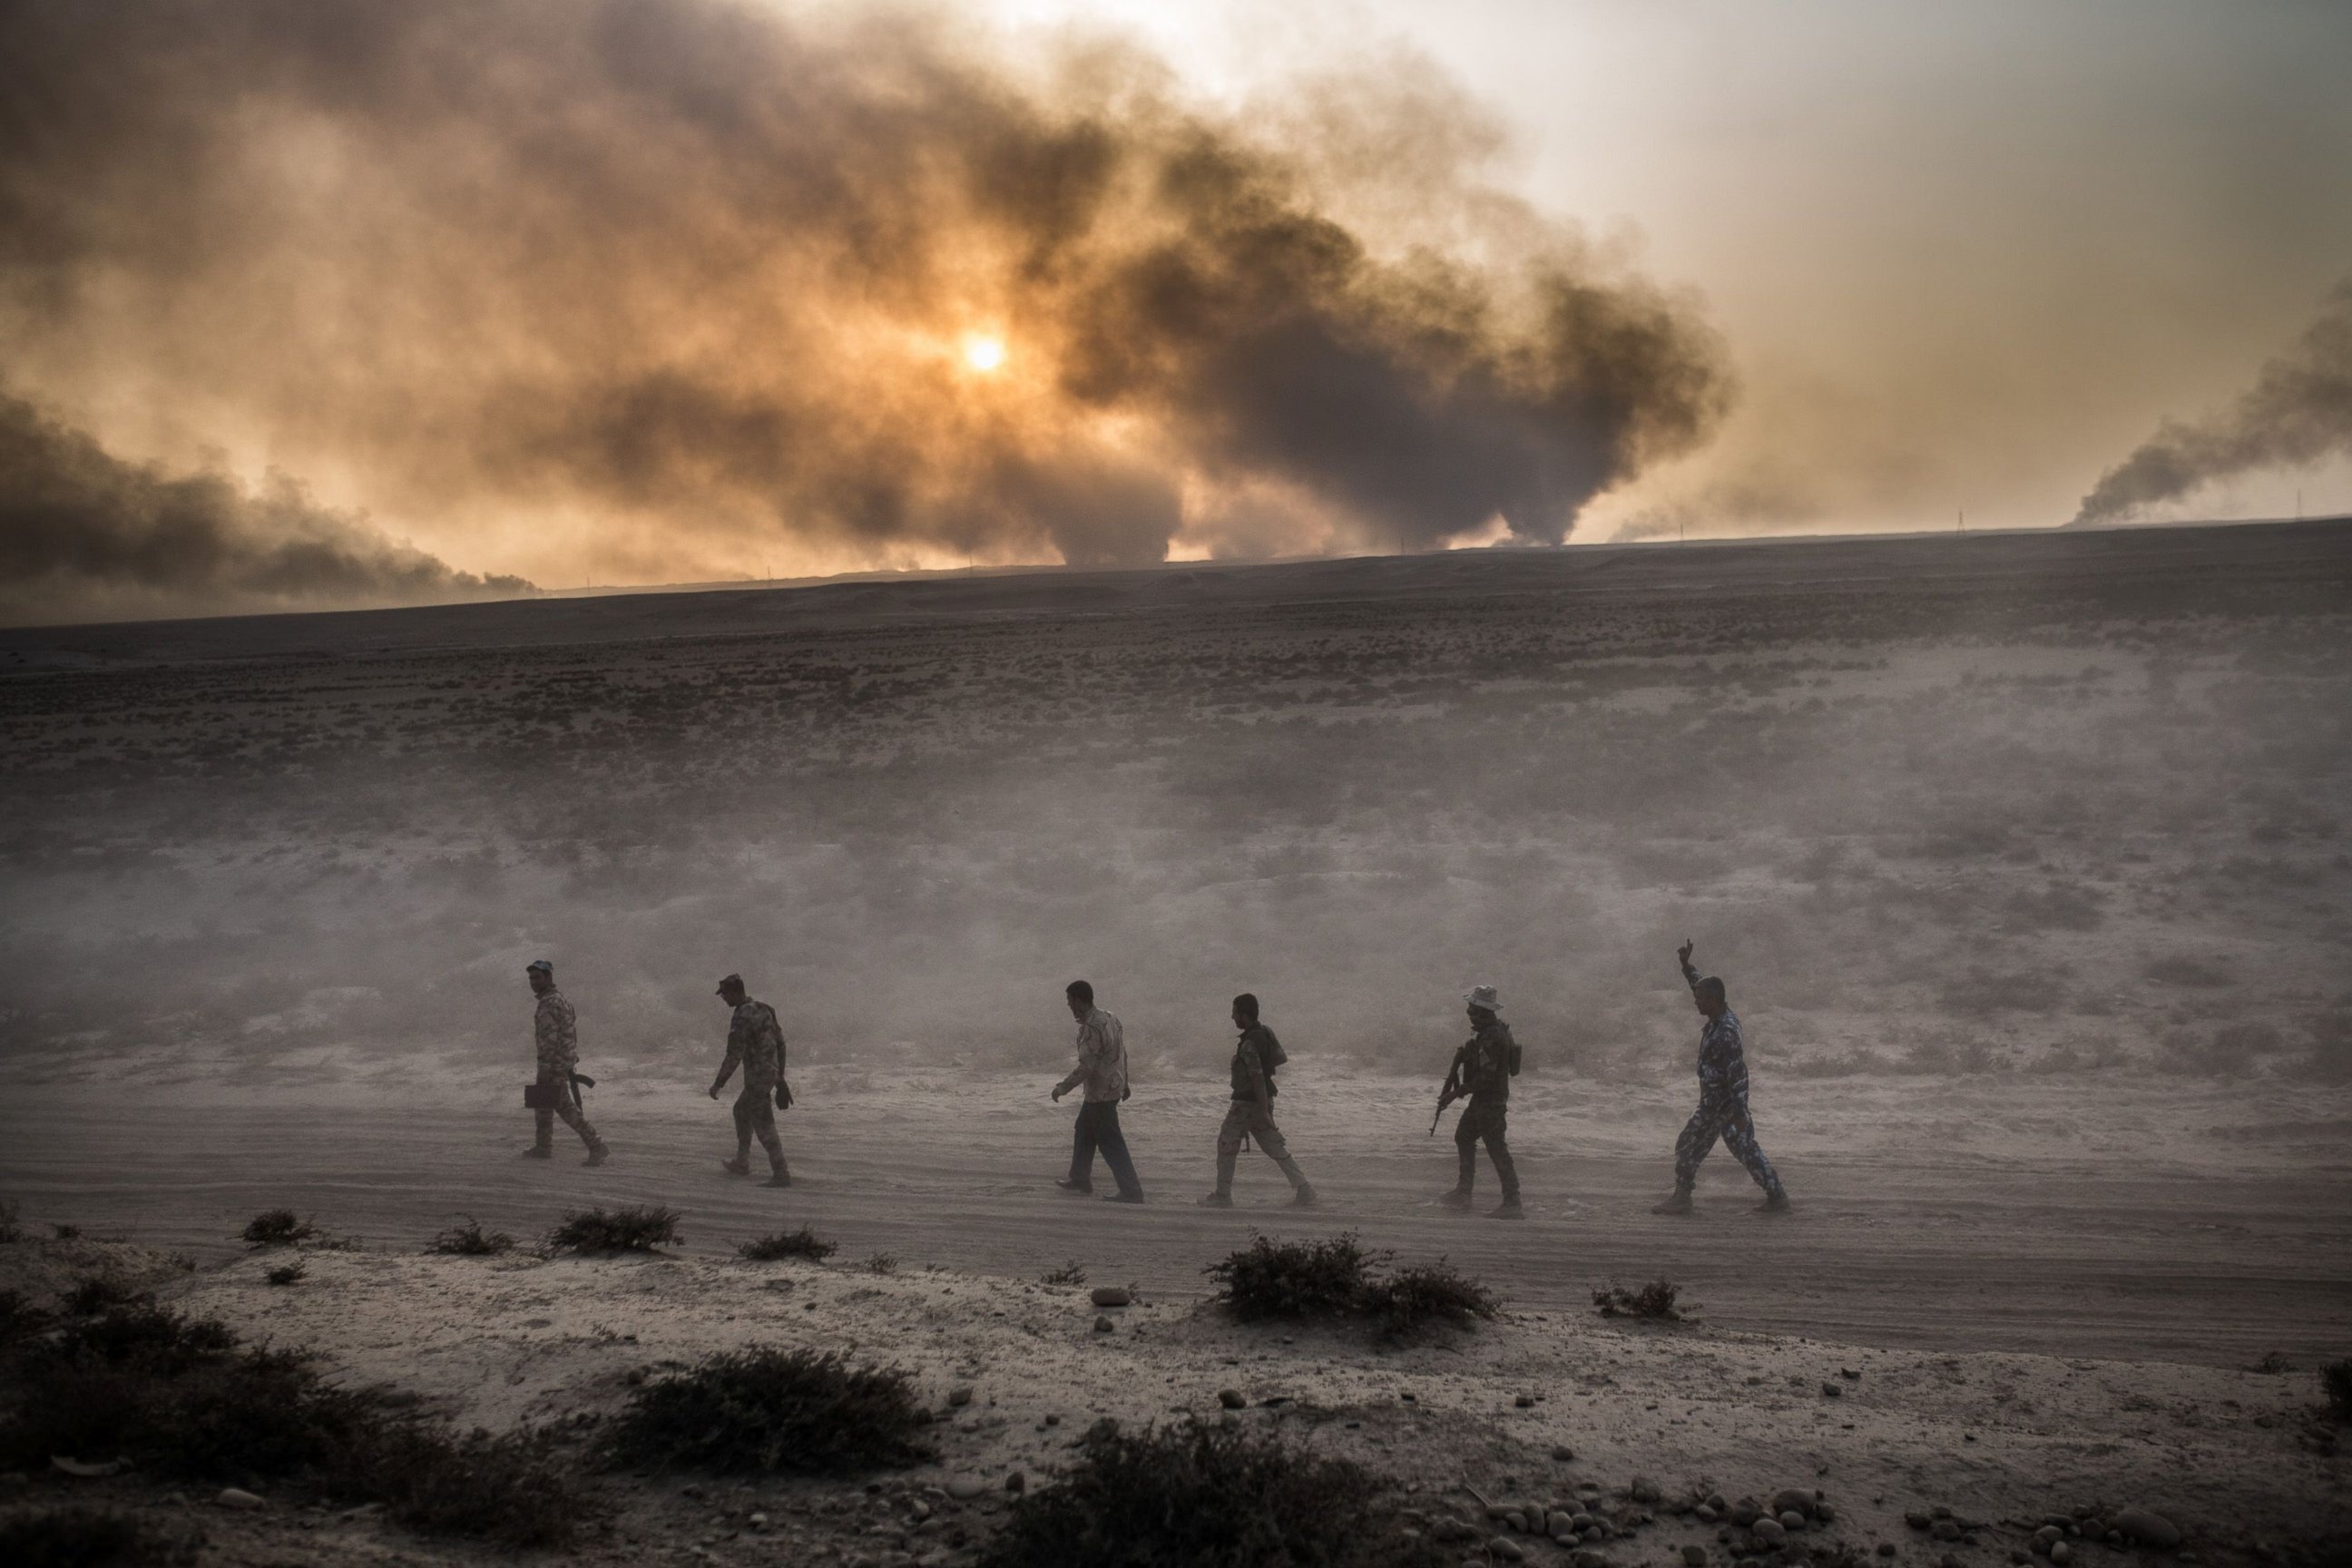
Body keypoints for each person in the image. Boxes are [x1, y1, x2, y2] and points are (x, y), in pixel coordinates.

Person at [1652, 939, 1788, 1214]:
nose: (1696, 1001)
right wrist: (1686, 966)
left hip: (1719, 1105)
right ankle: (1777, 1196)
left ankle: (1682, 1199)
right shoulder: (1718, 1013)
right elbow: (1701, 984)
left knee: (1688, 1145)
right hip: (1721, 1104)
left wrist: (1739, 1112)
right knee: (1745, 1150)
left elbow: (1738, 1075)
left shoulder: (1726, 1031)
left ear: (1713, 1001)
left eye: (1700, 999)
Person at [1198, 993, 1316, 1209]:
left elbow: (1258, 1079)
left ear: (1244, 1015)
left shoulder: (1249, 1043)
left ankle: (1222, 1196)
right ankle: (1304, 1189)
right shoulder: (1265, 1032)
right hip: (1262, 1101)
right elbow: (1280, 1058)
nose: (1232, 1017)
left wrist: (1261, 1110)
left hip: (1247, 1104)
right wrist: (1264, 1106)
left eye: (1235, 1013)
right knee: (1274, 1146)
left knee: (1226, 1144)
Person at [1052, 980, 1144, 1203]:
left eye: (1069, 1001)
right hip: (1111, 1086)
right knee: (1084, 1129)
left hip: (1100, 1092)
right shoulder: (1110, 1017)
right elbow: (1122, 1053)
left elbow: (1087, 1066)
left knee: (1110, 1141)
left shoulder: (1091, 1028)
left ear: (1078, 1000)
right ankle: (1080, 1178)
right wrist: (1126, 1083)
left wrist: (1063, 1087)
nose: (1068, 1006)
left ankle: (1131, 1190)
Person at [1436, 985, 1521, 1219]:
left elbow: (1487, 1076)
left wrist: (1457, 1093)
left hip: (1490, 1100)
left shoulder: (1492, 1037)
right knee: (1463, 1136)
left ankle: (1512, 1202)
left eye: (1472, 1009)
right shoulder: (1489, 1033)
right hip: (1483, 1100)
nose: (1469, 1014)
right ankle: (1464, 1192)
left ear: (1483, 1011)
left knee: (1496, 1148)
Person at [523, 959, 608, 1166]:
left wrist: (546, 1067)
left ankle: (596, 1145)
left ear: (549, 978)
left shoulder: (550, 1003)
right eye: (531, 978)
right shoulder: (560, 1000)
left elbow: (549, 1039)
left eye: (537, 977)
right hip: (562, 1061)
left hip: (553, 1064)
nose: (533, 982)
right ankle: (543, 1147)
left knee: (565, 1108)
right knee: (542, 1105)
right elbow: (569, 1032)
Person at [709, 973, 790, 1187]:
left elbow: (734, 1054)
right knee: (740, 1111)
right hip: (769, 1073)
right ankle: (741, 1162)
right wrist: (780, 1077)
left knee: (764, 1124)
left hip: (757, 1077)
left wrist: (719, 1083)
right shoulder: (765, 1009)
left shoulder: (741, 1016)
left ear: (736, 992)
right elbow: (781, 1044)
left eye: (725, 994)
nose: (723, 998)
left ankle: (781, 1172)